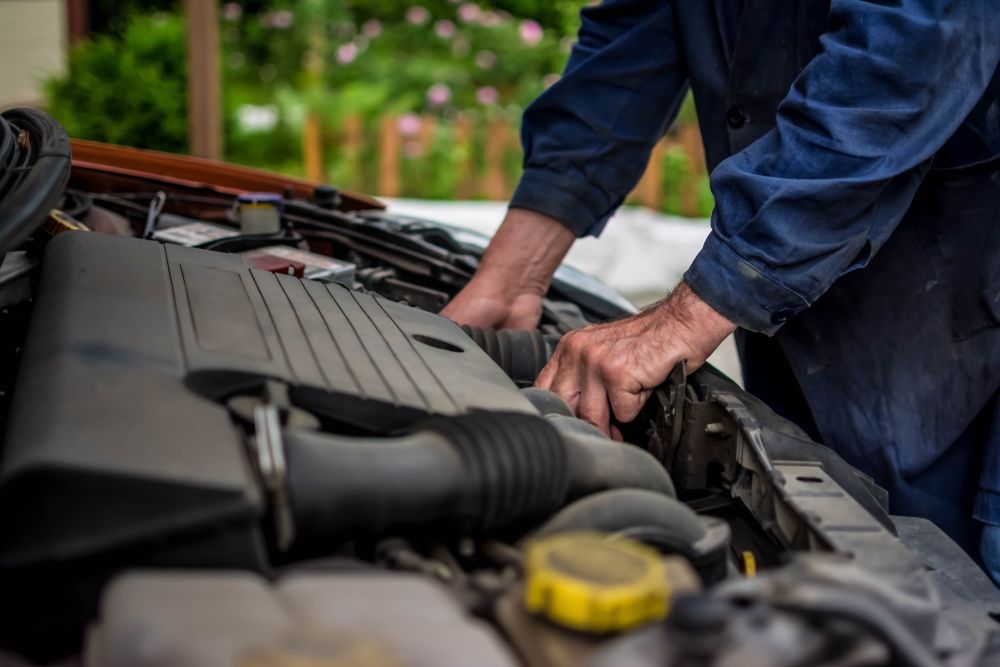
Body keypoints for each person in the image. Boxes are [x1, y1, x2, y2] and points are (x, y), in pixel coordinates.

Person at [442, 0, 1000, 576]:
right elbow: (630, 51)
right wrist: (511, 278)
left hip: (963, 312)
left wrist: (684, 318)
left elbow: (910, 52)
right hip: (795, 315)